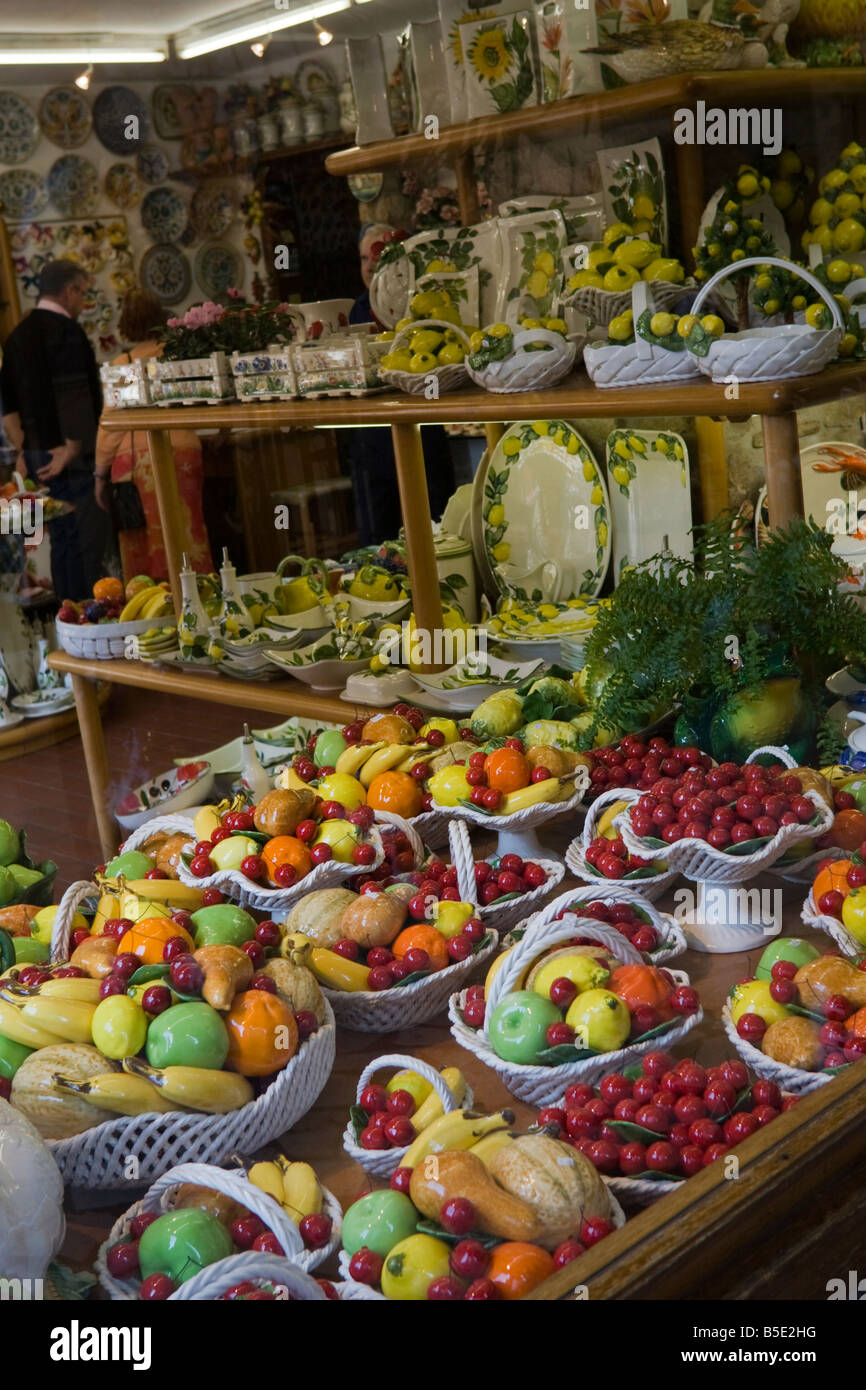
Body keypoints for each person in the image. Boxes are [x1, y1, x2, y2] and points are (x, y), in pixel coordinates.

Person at [0, 259, 111, 599]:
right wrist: (73, 447)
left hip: (37, 456)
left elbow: (8, 409)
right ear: (69, 290)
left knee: (62, 542)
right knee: (85, 545)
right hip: (69, 459)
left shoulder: (16, 337)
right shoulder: (65, 332)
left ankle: (67, 615)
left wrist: (25, 448)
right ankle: (86, 619)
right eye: (84, 294)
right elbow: (73, 394)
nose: (83, 303)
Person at [346, 223, 456, 547]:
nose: (369, 266)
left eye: (377, 256)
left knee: (437, 529)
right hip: (371, 440)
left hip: (422, 432)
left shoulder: (421, 304)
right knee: (380, 540)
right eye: (363, 258)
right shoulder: (356, 312)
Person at [94, 289, 213, 582]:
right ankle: (200, 590)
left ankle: (155, 599)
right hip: (183, 450)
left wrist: (99, 473)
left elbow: (112, 425)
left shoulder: (124, 365)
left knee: (144, 540)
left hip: (136, 462)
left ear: (126, 323)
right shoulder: (177, 354)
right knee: (189, 529)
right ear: (160, 316)